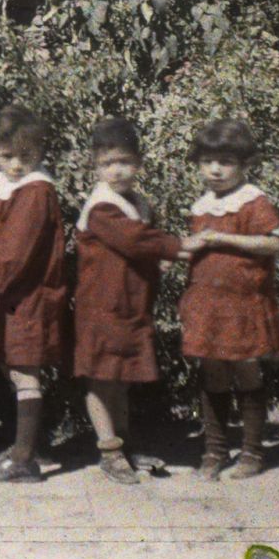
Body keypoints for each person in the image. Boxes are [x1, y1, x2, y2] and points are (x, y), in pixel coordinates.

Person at [74, 117, 184, 486]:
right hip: (101, 308)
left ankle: (124, 444)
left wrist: (160, 258)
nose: (116, 170)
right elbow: (135, 241)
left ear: (138, 162)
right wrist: (176, 247)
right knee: (102, 380)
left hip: (129, 308)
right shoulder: (103, 208)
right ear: (95, 165)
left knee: (120, 380)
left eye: (123, 161)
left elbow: (145, 241)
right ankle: (109, 450)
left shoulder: (137, 202)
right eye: (107, 163)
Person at [0, 106, 68, 484]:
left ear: (39, 151)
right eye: (8, 156)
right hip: (11, 299)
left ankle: (23, 458)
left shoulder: (36, 191)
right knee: (12, 366)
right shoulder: (2, 186)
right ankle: (29, 445)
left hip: (26, 298)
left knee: (25, 371)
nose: (18, 164)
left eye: (27, 155)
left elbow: (16, 246)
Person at [179, 118, 279, 481]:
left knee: (245, 370)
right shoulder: (201, 206)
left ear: (244, 164)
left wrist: (222, 239)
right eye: (207, 161)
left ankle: (253, 452)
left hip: (243, 304)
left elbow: (274, 242)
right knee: (212, 373)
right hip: (209, 305)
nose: (215, 169)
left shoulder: (252, 201)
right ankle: (214, 451)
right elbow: (199, 248)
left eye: (225, 161)